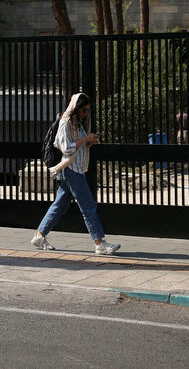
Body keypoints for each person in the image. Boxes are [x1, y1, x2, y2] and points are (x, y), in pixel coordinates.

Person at [31, 93, 120, 255]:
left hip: (76, 168)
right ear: (76, 108)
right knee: (88, 206)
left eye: (88, 110)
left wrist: (89, 141)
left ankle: (39, 236)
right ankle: (99, 243)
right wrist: (86, 138)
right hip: (71, 169)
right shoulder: (65, 123)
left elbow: (79, 147)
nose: (86, 113)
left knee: (60, 204)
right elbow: (66, 148)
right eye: (84, 110)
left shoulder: (77, 123)